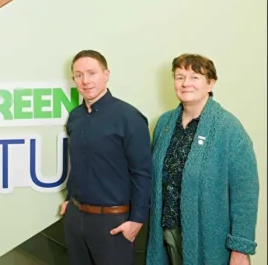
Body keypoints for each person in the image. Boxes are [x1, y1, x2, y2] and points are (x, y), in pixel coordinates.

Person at [146, 54, 258, 265]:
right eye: (179, 77)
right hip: (165, 234)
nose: (186, 83)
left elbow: (245, 194)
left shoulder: (229, 129)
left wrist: (241, 249)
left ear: (210, 83)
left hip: (209, 241)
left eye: (195, 77)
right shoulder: (164, 124)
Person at [62, 50, 152, 265]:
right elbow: (80, 164)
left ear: (106, 74)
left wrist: (137, 220)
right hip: (76, 218)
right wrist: (69, 200)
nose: (85, 81)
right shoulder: (75, 117)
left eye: (91, 73)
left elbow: (143, 172)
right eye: (79, 75)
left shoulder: (129, 118)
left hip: (113, 222)